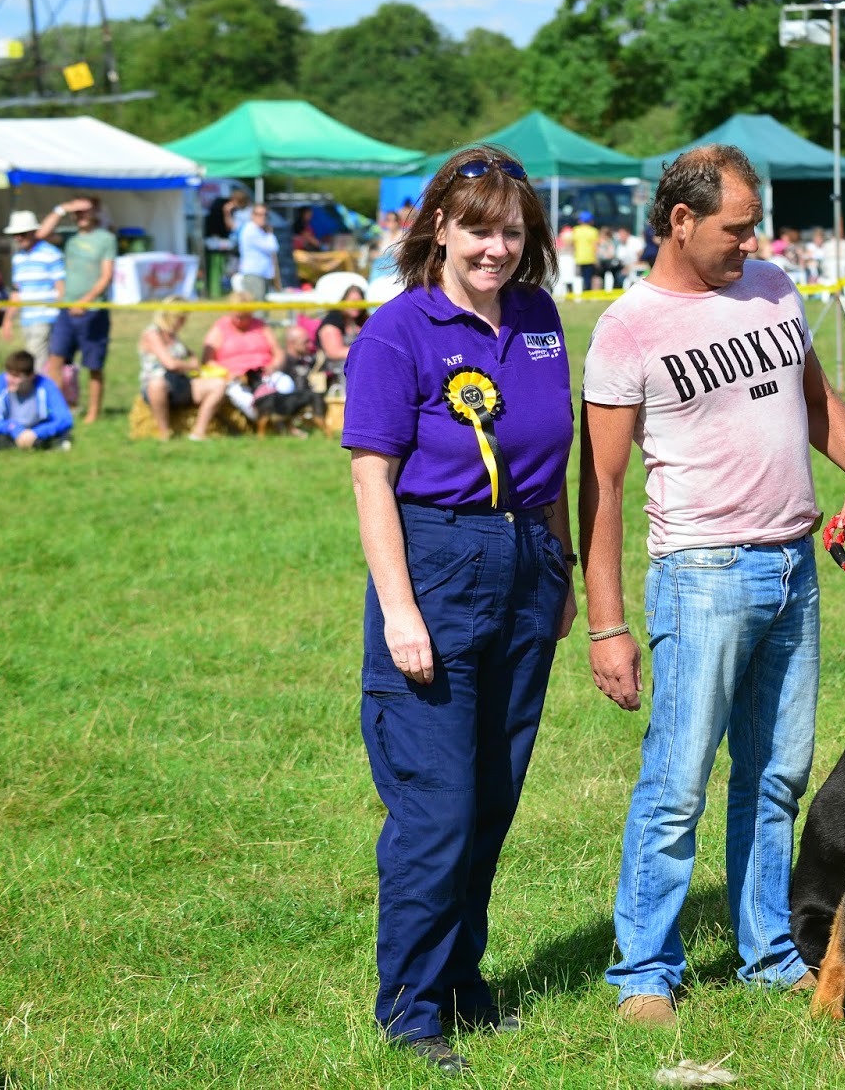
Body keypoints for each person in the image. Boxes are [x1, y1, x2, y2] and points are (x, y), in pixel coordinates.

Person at [579, 143, 845, 1029]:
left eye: (754, 227)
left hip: (795, 567)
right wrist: (608, 623)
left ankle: (765, 951)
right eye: (736, 227)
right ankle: (643, 969)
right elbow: (599, 485)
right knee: (676, 782)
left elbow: (814, 395)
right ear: (680, 221)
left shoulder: (774, 288)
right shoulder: (628, 328)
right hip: (702, 574)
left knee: (778, 776)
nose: (751, 243)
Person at [341, 145, 576, 1075]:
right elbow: (371, 480)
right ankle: (409, 1008)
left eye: (512, 229)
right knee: (436, 808)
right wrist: (400, 609)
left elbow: (551, 456)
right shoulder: (397, 332)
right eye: (479, 227)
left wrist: (555, 568)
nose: (496, 246)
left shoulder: (542, 318)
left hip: (525, 561)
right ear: (440, 224)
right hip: (434, 562)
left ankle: (460, 983)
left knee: (491, 796)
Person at [36, 196, 116, 424]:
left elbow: (106, 275)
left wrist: (86, 301)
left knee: (93, 365)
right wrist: (62, 208)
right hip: (66, 309)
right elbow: (41, 235)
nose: (81, 215)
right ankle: (61, 409)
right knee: (55, 361)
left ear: (95, 212)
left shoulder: (105, 238)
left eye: (85, 210)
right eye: (77, 212)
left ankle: (92, 414)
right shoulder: (69, 237)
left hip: (93, 311)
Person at [137, 299, 225, 441]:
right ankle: (163, 432)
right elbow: (170, 364)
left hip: (181, 382)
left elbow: (190, 356)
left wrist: (193, 362)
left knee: (219, 384)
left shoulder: (172, 335)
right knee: (157, 384)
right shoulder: (152, 334)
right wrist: (192, 366)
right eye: (182, 318)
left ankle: (199, 432)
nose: (184, 322)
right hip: (159, 384)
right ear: (171, 316)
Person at [200, 291, 287, 423]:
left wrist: (274, 365)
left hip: (263, 374)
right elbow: (207, 360)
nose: (240, 321)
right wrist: (227, 374)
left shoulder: (260, 325)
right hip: (236, 378)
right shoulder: (220, 328)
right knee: (246, 399)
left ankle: (281, 419)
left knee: (286, 385)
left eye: (245, 316)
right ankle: (268, 422)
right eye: (237, 316)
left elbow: (278, 352)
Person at [0, 210, 66, 372]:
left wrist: (61, 315)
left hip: (46, 317)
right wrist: (8, 320)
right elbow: (17, 292)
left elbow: (61, 288)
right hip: (27, 319)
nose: (18, 238)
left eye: (22, 234)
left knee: (34, 365)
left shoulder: (51, 254)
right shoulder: (18, 258)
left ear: (33, 232)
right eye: (15, 234)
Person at [0, 349, 71, 450]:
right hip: (8, 430)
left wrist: (36, 433)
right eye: (9, 374)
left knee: (62, 432)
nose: (10, 379)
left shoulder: (46, 385)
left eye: (16, 376)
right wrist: (12, 427)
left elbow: (65, 419)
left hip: (37, 428)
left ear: (31, 376)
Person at [317, 284, 368, 385]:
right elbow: (334, 352)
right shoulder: (332, 323)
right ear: (343, 301)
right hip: (336, 370)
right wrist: (368, 350)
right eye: (353, 301)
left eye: (360, 302)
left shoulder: (361, 321)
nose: (357, 305)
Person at [235, 203, 280, 300]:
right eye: (259, 214)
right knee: (258, 310)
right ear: (252, 215)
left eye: (265, 214)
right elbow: (272, 247)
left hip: (263, 274)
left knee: (263, 310)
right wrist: (270, 233)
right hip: (254, 274)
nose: (263, 217)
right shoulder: (251, 230)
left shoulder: (259, 231)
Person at [571, 210, 600, 291]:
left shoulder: (576, 230)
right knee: (588, 278)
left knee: (579, 278)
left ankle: (579, 291)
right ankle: (587, 291)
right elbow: (595, 246)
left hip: (578, 257)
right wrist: (596, 258)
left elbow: (573, 243)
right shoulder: (593, 231)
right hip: (589, 258)